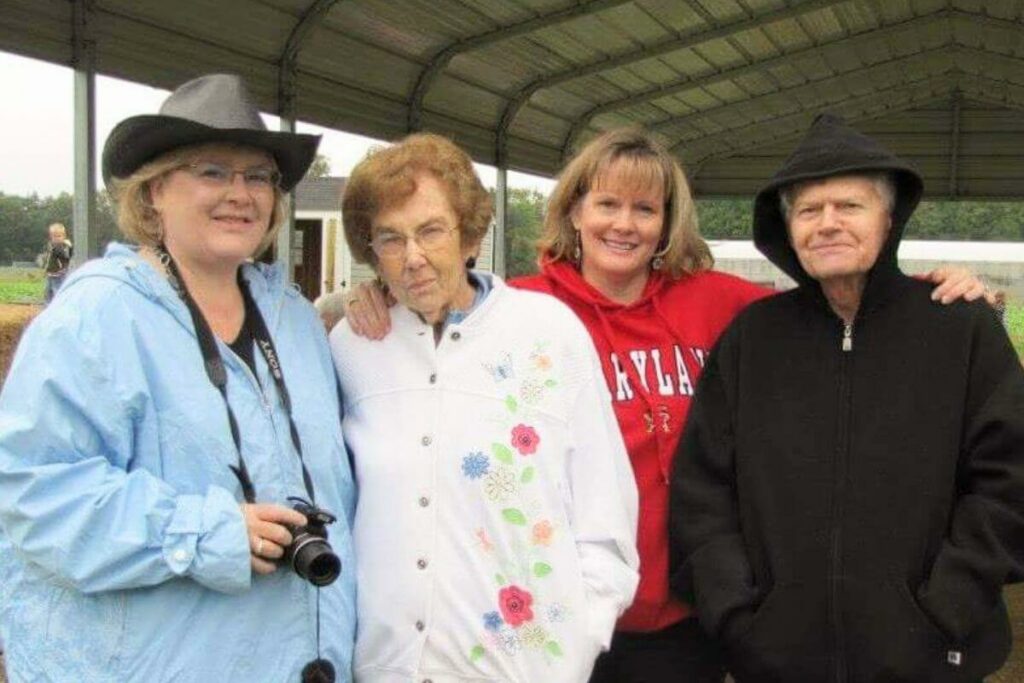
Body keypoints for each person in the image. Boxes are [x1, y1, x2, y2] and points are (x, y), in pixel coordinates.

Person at [342, 127, 990, 683]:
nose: (624, 223)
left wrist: (933, 292)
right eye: (607, 204)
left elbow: (835, 307)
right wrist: (373, 292)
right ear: (573, 210)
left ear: (666, 222)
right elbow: (438, 314)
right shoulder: (528, 313)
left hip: (684, 613)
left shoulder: (720, 304)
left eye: (645, 208)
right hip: (553, 614)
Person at [0, 74, 357, 682]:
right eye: (212, 172)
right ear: (155, 191)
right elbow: (33, 496)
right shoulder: (97, 317)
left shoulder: (293, 319)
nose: (240, 193)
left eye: (259, 176)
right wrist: (206, 531)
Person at [670, 113, 1024, 683]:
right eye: (809, 211)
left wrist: (946, 608)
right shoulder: (752, 338)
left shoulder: (959, 330)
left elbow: (1008, 481)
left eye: (849, 207)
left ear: (889, 219)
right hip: (777, 662)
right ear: (788, 230)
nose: (827, 224)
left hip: (932, 660)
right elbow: (701, 489)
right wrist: (737, 614)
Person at [330, 132, 639, 683]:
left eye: (431, 231)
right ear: (371, 252)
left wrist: (576, 649)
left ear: (471, 235)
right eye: (390, 239)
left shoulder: (547, 334)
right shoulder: (352, 347)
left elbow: (606, 513)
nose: (414, 258)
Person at [40, 222, 73, 304]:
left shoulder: (65, 246)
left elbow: (66, 257)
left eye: (59, 236)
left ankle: (59, 307)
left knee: (57, 292)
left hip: (59, 274)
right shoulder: (51, 246)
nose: (56, 238)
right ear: (51, 237)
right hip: (51, 274)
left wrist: (56, 249)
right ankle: (47, 309)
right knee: (47, 292)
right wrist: (45, 268)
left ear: (64, 236)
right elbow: (49, 259)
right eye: (54, 236)